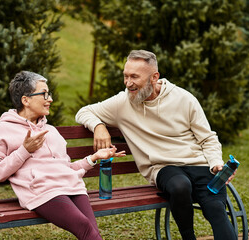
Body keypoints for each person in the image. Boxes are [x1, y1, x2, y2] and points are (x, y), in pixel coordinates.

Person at [75, 50, 237, 240]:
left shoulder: (184, 99)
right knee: (180, 186)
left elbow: (207, 138)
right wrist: (99, 126)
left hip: (198, 164)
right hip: (163, 167)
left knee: (216, 208)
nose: (128, 83)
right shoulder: (122, 102)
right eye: (126, 76)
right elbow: (83, 112)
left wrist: (216, 163)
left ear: (154, 77)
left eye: (134, 77)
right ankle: (188, 237)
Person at [0, 71, 125, 240]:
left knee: (91, 230)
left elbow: (66, 169)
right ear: (25, 100)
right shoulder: (3, 130)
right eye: (44, 94)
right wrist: (24, 150)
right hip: (42, 192)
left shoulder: (51, 131)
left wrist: (93, 158)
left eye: (49, 94)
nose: (50, 99)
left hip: (72, 186)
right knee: (86, 228)